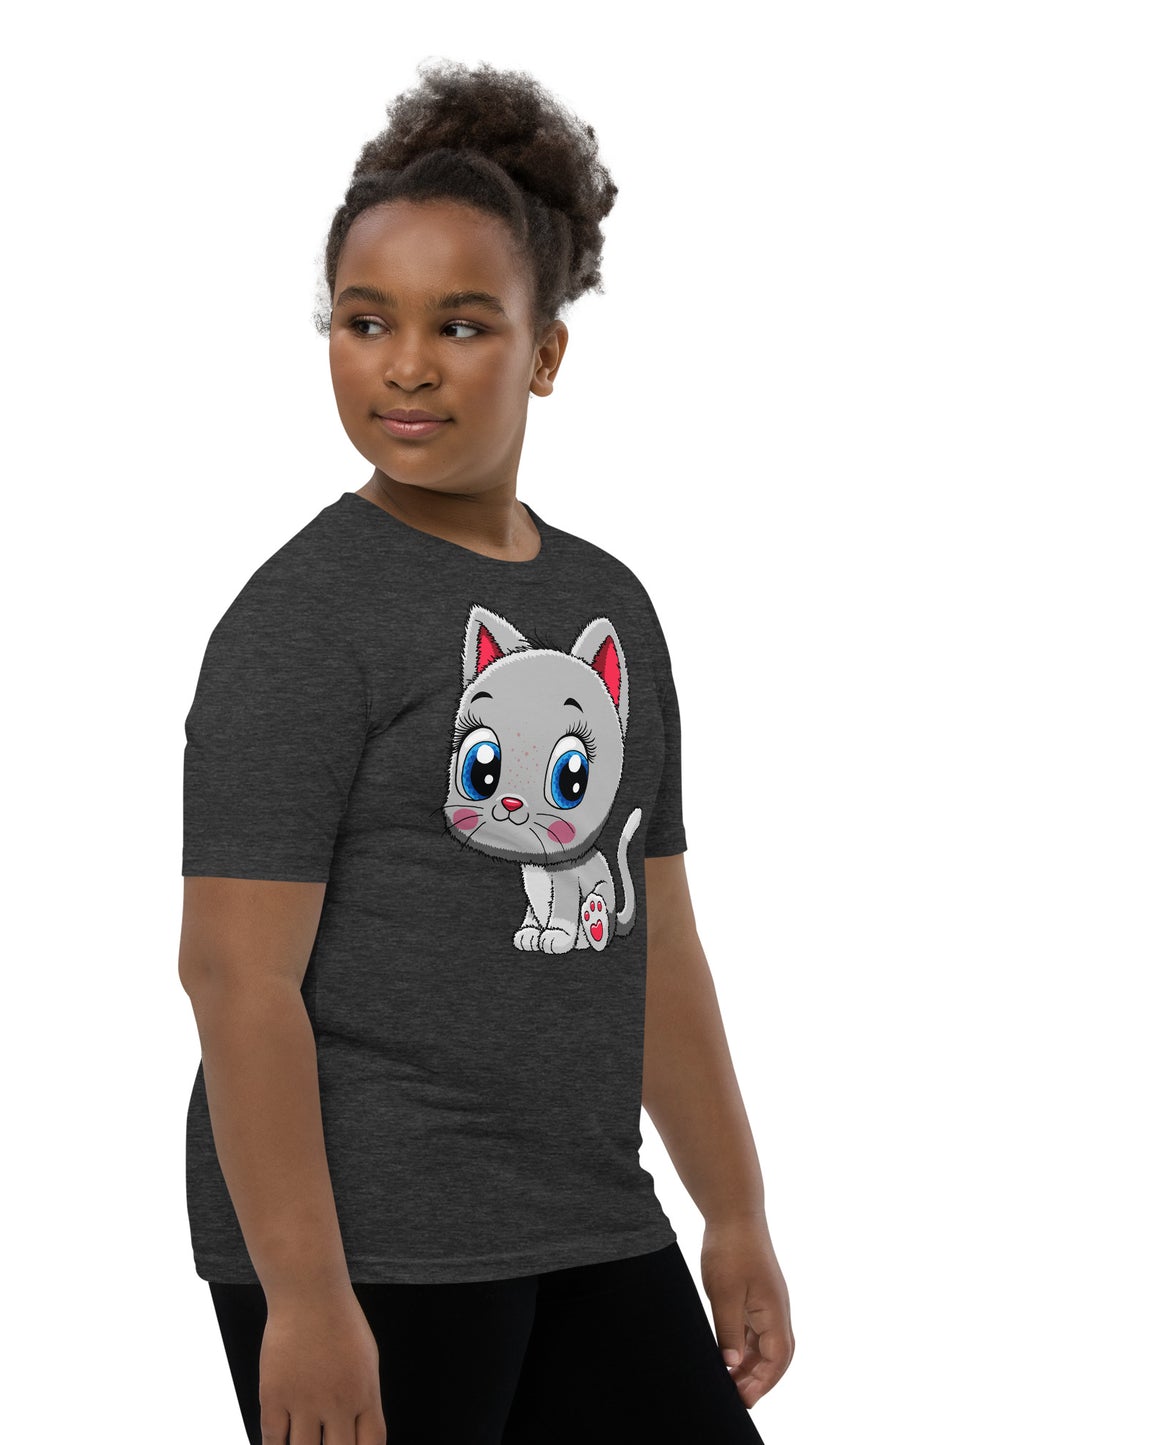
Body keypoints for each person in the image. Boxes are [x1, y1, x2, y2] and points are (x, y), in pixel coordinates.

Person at [178, 58, 794, 1445]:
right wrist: (305, 1296)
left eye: (460, 325)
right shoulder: (302, 622)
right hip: (374, 1238)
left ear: (545, 353)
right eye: (364, 320)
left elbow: (654, 939)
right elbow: (233, 977)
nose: (405, 365)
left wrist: (735, 1206)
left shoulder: (606, 603)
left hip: (586, 1209)